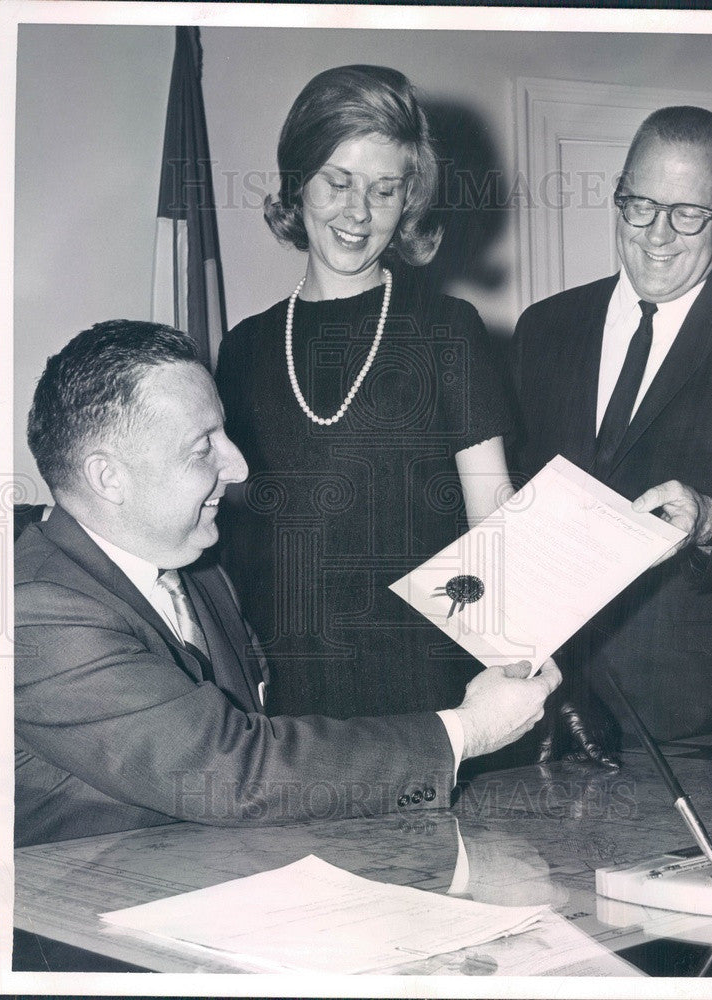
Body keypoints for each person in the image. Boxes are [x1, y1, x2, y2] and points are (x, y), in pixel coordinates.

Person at [14, 320, 560, 847]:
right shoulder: (38, 612)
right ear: (108, 477)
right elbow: (232, 772)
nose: (239, 467)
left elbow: (272, 742)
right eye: (204, 447)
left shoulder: (197, 570)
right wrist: (467, 731)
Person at [216, 65, 515, 721]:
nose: (357, 213)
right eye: (337, 182)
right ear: (298, 184)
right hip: (287, 695)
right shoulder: (242, 348)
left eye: (383, 191)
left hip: (429, 689)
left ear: (409, 203)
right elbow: (232, 535)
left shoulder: (447, 330)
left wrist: (512, 655)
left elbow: (493, 516)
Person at [509, 106, 712, 742]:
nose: (657, 234)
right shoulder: (543, 327)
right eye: (640, 204)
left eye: (687, 213)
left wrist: (710, 522)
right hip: (537, 709)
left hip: (697, 720)